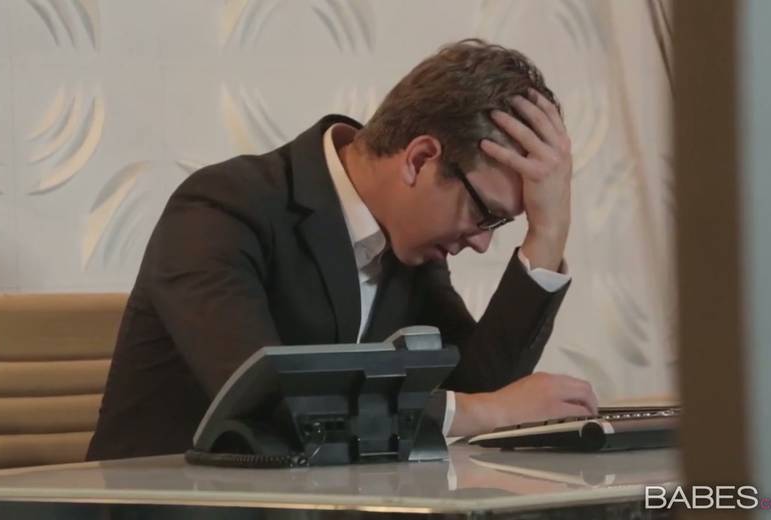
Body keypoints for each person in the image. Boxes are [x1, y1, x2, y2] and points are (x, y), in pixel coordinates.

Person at [86, 39, 598, 461]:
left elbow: (479, 384)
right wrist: (487, 412)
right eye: (485, 213)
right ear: (420, 160)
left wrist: (548, 233)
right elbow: (268, 407)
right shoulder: (222, 207)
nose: (482, 242)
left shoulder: (409, 251)